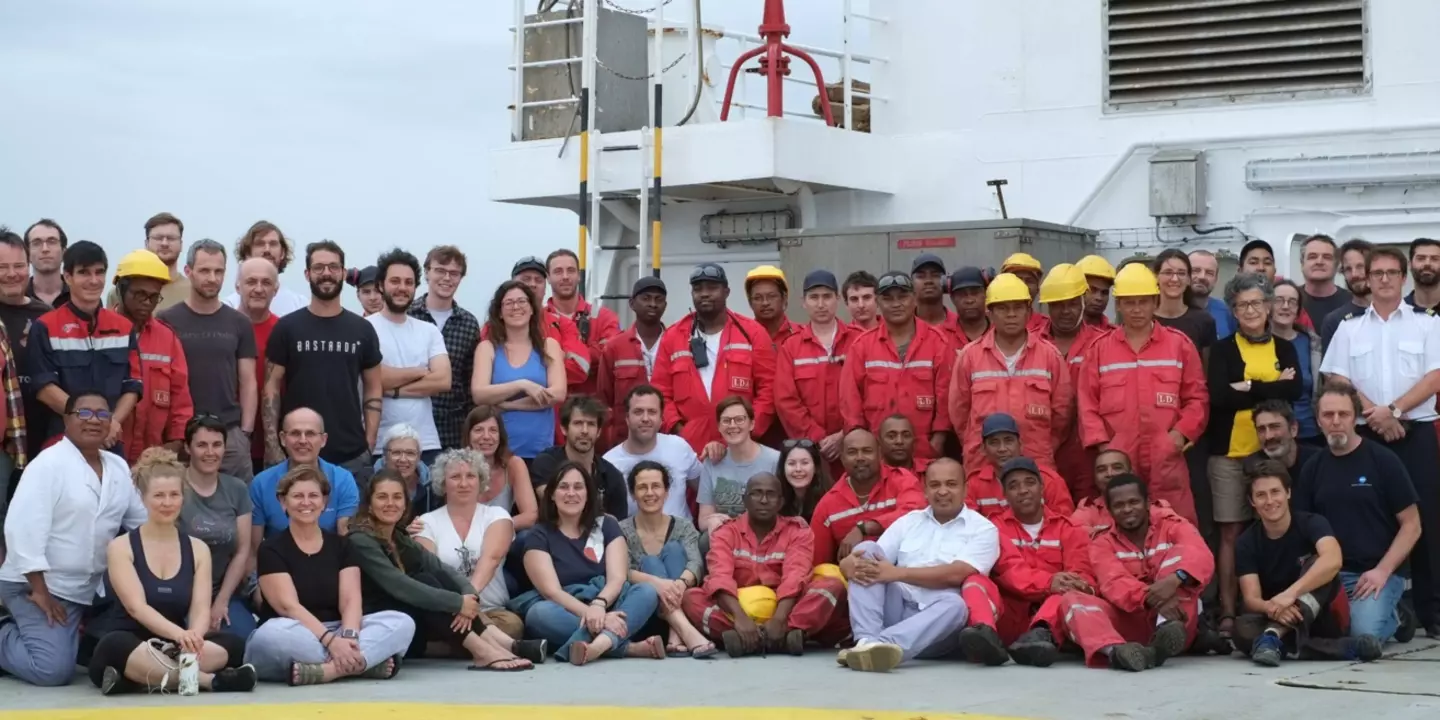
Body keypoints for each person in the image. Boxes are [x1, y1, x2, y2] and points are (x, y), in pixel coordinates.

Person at [1320, 246, 1440, 636]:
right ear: (1366, 280)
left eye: (1392, 272)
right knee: (1371, 521)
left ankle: (1431, 612)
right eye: (1378, 273)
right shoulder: (1349, 328)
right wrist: (1377, 414)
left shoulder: (1427, 324)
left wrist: (1395, 410)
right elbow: (1337, 381)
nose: (1385, 279)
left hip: (1416, 433)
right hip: (1368, 436)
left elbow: (1435, 377)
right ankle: (1386, 603)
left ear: (1403, 278)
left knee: (1426, 522)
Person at [0, 392, 146, 685]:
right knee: (52, 670)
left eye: (102, 414)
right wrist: (41, 591)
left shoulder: (117, 467)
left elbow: (141, 524)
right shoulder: (47, 465)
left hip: (88, 590)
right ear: (66, 420)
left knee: (106, 653)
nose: (94, 420)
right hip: (36, 587)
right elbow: (22, 530)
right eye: (84, 413)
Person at [84, 449, 256, 694]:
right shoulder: (121, 546)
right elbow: (137, 608)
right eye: (159, 496)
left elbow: (199, 608)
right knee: (112, 645)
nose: (167, 503)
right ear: (143, 498)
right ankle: (208, 681)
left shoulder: (198, 549)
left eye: (174, 495)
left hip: (175, 646)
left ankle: (139, 680)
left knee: (234, 644)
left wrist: (193, 639)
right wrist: (181, 635)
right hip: (132, 644)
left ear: (183, 497)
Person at [348, 470, 539, 671]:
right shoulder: (361, 540)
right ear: (369, 504)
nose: (390, 503)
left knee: (431, 576)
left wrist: (468, 595)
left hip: (413, 624)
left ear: (405, 503)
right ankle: (484, 651)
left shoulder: (397, 537)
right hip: (382, 626)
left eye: (397, 497)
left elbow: (439, 567)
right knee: (425, 582)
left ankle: (493, 647)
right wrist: (457, 603)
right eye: (382, 497)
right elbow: (400, 586)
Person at [243, 465, 415, 684]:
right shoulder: (271, 549)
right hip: (296, 631)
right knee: (269, 635)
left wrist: (349, 637)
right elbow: (288, 607)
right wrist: (332, 643)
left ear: (324, 502)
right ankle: (362, 664)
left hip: (339, 629)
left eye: (314, 495)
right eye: (298, 496)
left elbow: (351, 600)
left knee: (401, 622)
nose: (306, 502)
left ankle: (328, 671)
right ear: (283, 502)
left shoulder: (341, 545)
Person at [1206, 273, 1303, 640]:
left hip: (1272, 455)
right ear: (1233, 311)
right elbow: (1220, 397)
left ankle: (1275, 605)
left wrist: (1249, 387)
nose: (1250, 310)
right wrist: (1270, 388)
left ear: (1269, 307)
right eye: (1242, 305)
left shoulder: (1284, 346)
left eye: (1257, 303)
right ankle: (1230, 611)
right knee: (1231, 532)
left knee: (1275, 529)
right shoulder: (1223, 350)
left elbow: (1294, 390)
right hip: (1230, 455)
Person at [837, 457, 998, 673]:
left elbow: (956, 574)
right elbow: (871, 559)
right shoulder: (910, 521)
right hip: (898, 607)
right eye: (935, 485)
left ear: (965, 488)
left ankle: (881, 645)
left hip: (937, 625)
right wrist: (847, 565)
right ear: (924, 489)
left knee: (957, 606)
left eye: (951, 484)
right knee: (867, 549)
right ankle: (866, 640)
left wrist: (897, 573)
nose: (942, 491)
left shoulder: (983, 529)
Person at [1078, 262, 1208, 526]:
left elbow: (1197, 398)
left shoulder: (1179, 345)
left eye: (1144, 301)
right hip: (1119, 460)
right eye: (1129, 302)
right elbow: (1086, 404)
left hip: (1167, 458)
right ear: (1119, 306)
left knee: (1176, 524)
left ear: (1155, 301)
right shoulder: (1099, 350)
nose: (1137, 309)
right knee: (1121, 526)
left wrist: (1179, 435)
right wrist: (1106, 449)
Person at [1294, 382, 1423, 642]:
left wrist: (1383, 571)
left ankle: (1397, 616)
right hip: (1329, 574)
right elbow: (1302, 527)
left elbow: (1412, 525)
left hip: (1375, 573)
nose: (1336, 421)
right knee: (1313, 629)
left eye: (1343, 414)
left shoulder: (1384, 460)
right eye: (1328, 415)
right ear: (1318, 420)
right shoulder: (1312, 468)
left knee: (1361, 635)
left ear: (1356, 418)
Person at [1051, 475, 1213, 671]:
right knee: (1072, 600)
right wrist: (1151, 598)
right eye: (1119, 505)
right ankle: (1116, 652)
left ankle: (1166, 630)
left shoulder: (1174, 525)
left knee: (1182, 566)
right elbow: (1114, 582)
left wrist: (1175, 579)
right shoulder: (1102, 543)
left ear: (1147, 503)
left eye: (1133, 502)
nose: (1127, 509)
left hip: (1177, 615)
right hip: (1131, 622)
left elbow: (1200, 554)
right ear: (1109, 511)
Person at [513, 461, 664, 665]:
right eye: (564, 487)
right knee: (538, 615)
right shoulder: (538, 535)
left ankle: (596, 647)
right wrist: (591, 614)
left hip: (607, 602)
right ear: (551, 494)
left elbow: (617, 578)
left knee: (646, 591)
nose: (571, 493)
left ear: (588, 493)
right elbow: (552, 592)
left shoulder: (607, 525)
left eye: (578, 487)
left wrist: (599, 606)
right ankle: (626, 647)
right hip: (566, 608)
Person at [682, 473, 847, 657]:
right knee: (691, 598)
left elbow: (795, 575)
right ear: (745, 499)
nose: (763, 500)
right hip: (739, 609)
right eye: (756, 493)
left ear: (781, 501)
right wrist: (741, 619)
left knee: (833, 587)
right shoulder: (726, 532)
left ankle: (752, 639)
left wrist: (779, 619)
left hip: (787, 609)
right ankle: (783, 638)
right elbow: (720, 578)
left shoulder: (798, 532)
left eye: (771, 494)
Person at [1235, 459, 1382, 666]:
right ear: (1252, 501)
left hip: (1323, 615)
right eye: (1261, 495)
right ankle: (1344, 648)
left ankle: (1272, 636)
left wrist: (1290, 595)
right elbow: (1252, 598)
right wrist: (1273, 608)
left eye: (1275, 492)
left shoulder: (1312, 523)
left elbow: (1333, 560)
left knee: (1318, 564)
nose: (1269, 501)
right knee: (1240, 630)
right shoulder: (1246, 542)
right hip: (1280, 613)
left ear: (1288, 493)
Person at [263, 240, 382, 482]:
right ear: (307, 274)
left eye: (333, 267)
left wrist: (369, 441)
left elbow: (373, 386)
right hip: (297, 454)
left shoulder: (362, 330)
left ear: (343, 272)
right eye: (318, 268)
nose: (326, 273)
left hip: (352, 456)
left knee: (349, 522)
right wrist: (273, 444)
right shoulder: (287, 328)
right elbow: (271, 386)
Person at [949, 272, 1071, 478]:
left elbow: (1062, 414)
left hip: (1036, 462)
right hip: (982, 465)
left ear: (1029, 311)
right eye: (1003, 308)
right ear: (990, 313)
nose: (1011, 314)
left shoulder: (1049, 356)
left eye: (1018, 307)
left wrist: (1042, 446)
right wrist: (976, 444)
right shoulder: (970, 356)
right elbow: (959, 413)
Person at [651, 263, 776, 454]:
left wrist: (747, 433)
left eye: (712, 288)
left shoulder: (753, 333)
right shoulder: (673, 336)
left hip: (740, 447)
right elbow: (660, 392)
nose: (704, 294)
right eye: (698, 289)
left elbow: (768, 390)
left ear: (726, 292)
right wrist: (678, 431)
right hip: (688, 449)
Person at [160, 239, 258, 481]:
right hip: (180, 436)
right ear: (188, 271)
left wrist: (245, 433)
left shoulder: (239, 322)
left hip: (229, 435)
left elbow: (248, 381)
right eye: (204, 270)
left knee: (238, 508)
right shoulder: (166, 320)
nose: (212, 278)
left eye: (218, 271)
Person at [30, 241, 142, 446]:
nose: (93, 280)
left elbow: (132, 386)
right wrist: (89, 421)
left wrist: (112, 422)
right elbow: (44, 388)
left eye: (99, 272)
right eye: (84, 273)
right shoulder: (45, 327)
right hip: (63, 439)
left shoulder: (124, 327)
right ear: (68, 277)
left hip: (111, 438)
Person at [840, 271, 955, 465]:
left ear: (914, 298)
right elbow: (850, 401)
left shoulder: (938, 343)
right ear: (878, 302)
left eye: (902, 296)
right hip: (877, 455)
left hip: (924, 454)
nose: (896, 304)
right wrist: (862, 442)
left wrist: (937, 441)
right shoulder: (862, 346)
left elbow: (946, 398)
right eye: (888, 298)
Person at [992, 457, 1098, 665]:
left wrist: (1071, 584)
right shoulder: (993, 528)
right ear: (1004, 495)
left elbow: (1082, 572)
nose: (1023, 490)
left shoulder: (1068, 529)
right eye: (1014, 486)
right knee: (981, 583)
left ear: (1042, 487)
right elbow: (1009, 571)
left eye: (1030, 483)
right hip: (1013, 616)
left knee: (1069, 591)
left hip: (1055, 614)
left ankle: (1041, 634)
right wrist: (1050, 583)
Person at [414, 449, 527, 638]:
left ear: (480, 480)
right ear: (443, 483)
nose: (464, 483)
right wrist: (459, 606)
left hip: (491, 610)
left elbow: (491, 559)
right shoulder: (426, 522)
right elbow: (431, 571)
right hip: (447, 611)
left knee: (512, 627)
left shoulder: (497, 515)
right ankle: (485, 643)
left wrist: (469, 601)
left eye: (471, 476)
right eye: (455, 477)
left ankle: (446, 648)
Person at [619, 461, 714, 658]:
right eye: (642, 487)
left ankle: (675, 635)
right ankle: (684, 631)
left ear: (667, 492)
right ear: (633, 494)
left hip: (681, 596)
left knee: (673, 549)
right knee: (650, 563)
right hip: (646, 612)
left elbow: (696, 563)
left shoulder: (684, 526)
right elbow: (621, 571)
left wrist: (678, 584)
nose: (649, 493)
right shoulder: (621, 530)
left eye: (656, 486)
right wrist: (658, 583)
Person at [366, 249, 450, 467]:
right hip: (378, 443)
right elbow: (373, 378)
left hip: (426, 444)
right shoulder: (364, 328)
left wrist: (392, 389)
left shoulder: (428, 331)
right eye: (395, 281)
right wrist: (420, 371)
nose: (402, 288)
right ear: (381, 285)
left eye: (408, 282)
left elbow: (442, 380)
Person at [111, 249, 194, 466]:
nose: (147, 302)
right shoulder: (101, 332)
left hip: (154, 462)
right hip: (107, 455)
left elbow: (181, 403)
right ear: (121, 289)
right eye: (139, 294)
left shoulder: (167, 338)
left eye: (154, 297)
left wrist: (172, 448)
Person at [470, 279, 566, 464]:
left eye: (522, 301)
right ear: (499, 313)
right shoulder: (487, 348)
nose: (516, 307)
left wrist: (508, 405)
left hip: (540, 452)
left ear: (532, 309)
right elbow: (479, 394)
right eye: (509, 303)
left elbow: (557, 394)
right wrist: (523, 385)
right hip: (498, 454)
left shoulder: (549, 346)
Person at [180, 415, 257, 640]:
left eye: (217, 445)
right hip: (181, 595)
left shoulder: (237, 489)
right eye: (201, 445)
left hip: (222, 591)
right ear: (187, 447)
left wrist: (222, 601)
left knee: (243, 641)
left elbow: (243, 550)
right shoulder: (174, 487)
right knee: (192, 640)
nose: (210, 452)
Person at [1037, 264, 1108, 502]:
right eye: (1057, 305)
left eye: (1072, 304)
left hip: (1088, 450)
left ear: (1082, 302)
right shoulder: (1031, 344)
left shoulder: (1103, 343)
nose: (1065, 311)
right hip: (1044, 447)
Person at [774, 270, 855, 471]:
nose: (821, 304)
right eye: (814, 297)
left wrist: (845, 434)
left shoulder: (858, 341)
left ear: (837, 299)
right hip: (810, 453)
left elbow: (871, 394)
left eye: (827, 297)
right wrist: (817, 438)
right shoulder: (791, 347)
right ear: (803, 302)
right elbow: (786, 401)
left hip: (853, 447)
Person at [811, 429, 925, 565]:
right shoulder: (827, 505)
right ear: (842, 458)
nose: (860, 457)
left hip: (904, 571)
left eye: (867, 451)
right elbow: (819, 564)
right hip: (852, 576)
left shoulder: (902, 481)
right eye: (852, 452)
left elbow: (915, 514)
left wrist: (864, 528)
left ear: (880, 454)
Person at [408, 245, 481, 451]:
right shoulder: (408, 315)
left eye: (454, 273)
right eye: (440, 270)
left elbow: (469, 381)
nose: (447, 278)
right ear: (427, 273)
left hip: (453, 428)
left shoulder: (468, 323)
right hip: (410, 421)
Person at [250, 408, 361, 541]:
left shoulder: (343, 480)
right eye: (295, 433)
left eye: (310, 434)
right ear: (283, 439)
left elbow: (345, 538)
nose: (302, 440)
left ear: (323, 439)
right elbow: (254, 549)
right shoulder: (261, 483)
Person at [603, 385, 702, 521]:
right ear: (627, 418)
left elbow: (705, 489)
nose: (645, 418)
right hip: (634, 540)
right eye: (638, 412)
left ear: (662, 419)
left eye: (652, 412)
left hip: (684, 539)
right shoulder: (609, 463)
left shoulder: (679, 447)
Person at [0, 227, 55, 463]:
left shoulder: (46, 315)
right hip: (4, 442)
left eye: (19, 266)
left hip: (42, 437)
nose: (12, 274)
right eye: (2, 267)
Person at [498, 256, 591, 393]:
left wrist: (515, 373)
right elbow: (485, 371)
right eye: (526, 279)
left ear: (545, 286)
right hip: (503, 412)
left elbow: (580, 368)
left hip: (551, 410)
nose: (532, 284)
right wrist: (555, 359)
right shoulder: (494, 325)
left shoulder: (562, 324)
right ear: (512, 284)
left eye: (538, 280)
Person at [530, 395, 628, 519]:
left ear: (598, 432)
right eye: (578, 423)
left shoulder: (612, 476)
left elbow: (617, 525)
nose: (585, 431)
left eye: (591, 424)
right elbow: (556, 507)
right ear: (564, 429)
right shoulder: (547, 463)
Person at [963, 413, 1075, 521]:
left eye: (1008, 441)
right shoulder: (973, 484)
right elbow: (966, 527)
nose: (1002, 449)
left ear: (1020, 444)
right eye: (994, 442)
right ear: (983, 448)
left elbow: (1065, 526)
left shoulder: (1049, 481)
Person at [596, 277, 667, 447]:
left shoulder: (678, 343)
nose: (652, 304)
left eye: (659, 299)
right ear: (632, 303)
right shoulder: (614, 347)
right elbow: (603, 401)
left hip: (668, 438)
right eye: (646, 298)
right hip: (625, 442)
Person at [696, 396, 782, 532]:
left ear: (752, 424)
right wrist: (713, 521)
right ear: (718, 427)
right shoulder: (712, 462)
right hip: (725, 535)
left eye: (739, 419)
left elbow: (783, 513)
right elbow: (703, 519)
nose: (732, 425)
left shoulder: (775, 460)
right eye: (726, 421)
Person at [544, 249, 621, 399]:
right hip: (552, 410)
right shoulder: (539, 320)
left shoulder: (604, 317)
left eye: (571, 270)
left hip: (593, 409)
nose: (565, 277)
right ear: (548, 277)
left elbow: (611, 353)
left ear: (579, 275)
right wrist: (591, 351)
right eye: (558, 271)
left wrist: (559, 357)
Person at [235, 256, 280, 474]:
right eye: (251, 282)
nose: (259, 289)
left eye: (266, 283)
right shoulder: (223, 328)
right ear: (237, 286)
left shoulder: (285, 331)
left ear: (276, 289)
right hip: (227, 446)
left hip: (276, 448)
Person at [462, 405, 539, 529]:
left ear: (500, 436)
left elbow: (530, 515)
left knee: (528, 537)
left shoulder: (513, 464)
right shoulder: (458, 467)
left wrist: (496, 527)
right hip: (466, 537)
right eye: (479, 430)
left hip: (503, 533)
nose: (486, 436)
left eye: (493, 430)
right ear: (468, 436)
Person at [103, 213, 192, 312]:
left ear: (181, 244)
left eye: (171, 238)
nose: (164, 243)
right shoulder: (120, 292)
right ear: (146, 243)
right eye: (158, 238)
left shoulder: (193, 291)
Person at [1271, 280, 1322, 442]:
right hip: (1270, 433)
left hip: (1309, 431)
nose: (1285, 306)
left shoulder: (1313, 344)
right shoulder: (1255, 343)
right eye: (1278, 300)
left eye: (1292, 302)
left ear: (1298, 310)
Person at [224, 220, 307, 316]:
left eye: (273, 244)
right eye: (260, 244)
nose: (267, 250)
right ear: (247, 253)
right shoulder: (229, 306)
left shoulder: (300, 305)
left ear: (282, 253)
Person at [1151, 249, 1218, 356]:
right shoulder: (1145, 319)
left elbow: (1207, 369)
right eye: (1168, 272)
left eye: (1181, 273)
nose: (1174, 279)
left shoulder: (1204, 321)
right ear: (1156, 277)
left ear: (1188, 279)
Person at [1249, 399, 1322, 490]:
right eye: (1261, 429)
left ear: (1293, 429)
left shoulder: (1319, 461)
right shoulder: (1252, 467)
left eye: (1275, 427)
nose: (1268, 436)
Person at [371, 424, 440, 518]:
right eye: (396, 453)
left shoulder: (433, 485)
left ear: (419, 456)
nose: (403, 459)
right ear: (385, 455)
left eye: (410, 453)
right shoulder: (368, 480)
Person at [1319, 239, 1373, 353]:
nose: (1354, 275)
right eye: (1348, 269)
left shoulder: (1396, 313)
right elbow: (1329, 369)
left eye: (1360, 267)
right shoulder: (1334, 321)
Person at [1298, 235, 1353, 328]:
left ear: (1336, 265)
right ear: (1302, 264)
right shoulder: (1290, 301)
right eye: (1312, 257)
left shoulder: (1352, 302)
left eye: (1327, 257)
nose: (1319, 262)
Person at [911, 254, 961, 347]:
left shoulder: (962, 325)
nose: (928, 281)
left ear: (946, 283)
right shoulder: (902, 327)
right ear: (911, 284)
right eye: (921, 276)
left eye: (935, 275)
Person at [778, 439, 833, 522]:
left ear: (816, 468)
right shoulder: (776, 502)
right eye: (791, 463)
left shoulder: (829, 502)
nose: (798, 469)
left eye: (804, 463)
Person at [1187, 249, 1235, 340]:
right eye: (1196, 270)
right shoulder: (1170, 312)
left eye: (1209, 273)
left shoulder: (1227, 312)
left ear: (1216, 279)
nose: (1202, 277)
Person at [23, 219, 70, 307]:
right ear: (27, 254)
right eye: (36, 243)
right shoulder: (17, 297)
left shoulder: (80, 295)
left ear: (64, 252)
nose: (45, 249)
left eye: (52, 242)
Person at [745, 265, 794, 347]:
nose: (765, 303)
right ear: (750, 302)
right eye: (758, 298)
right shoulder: (741, 337)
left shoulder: (802, 334)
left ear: (784, 298)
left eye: (771, 296)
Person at [1000, 253, 1048, 333]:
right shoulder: (989, 325)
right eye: (1017, 279)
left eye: (1029, 281)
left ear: (1037, 288)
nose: (1023, 286)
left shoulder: (1048, 327)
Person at [948, 266, 991, 347]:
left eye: (975, 293)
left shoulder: (1001, 332)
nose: (969, 300)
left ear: (986, 294)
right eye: (962, 294)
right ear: (952, 299)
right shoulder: (940, 337)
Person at [1076, 255, 1116, 329]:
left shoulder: (1114, 335)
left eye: (1104, 292)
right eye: (1092, 290)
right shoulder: (1054, 331)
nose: (1099, 298)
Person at [1406, 237, 1440, 312]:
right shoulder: (1398, 311)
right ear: (1410, 265)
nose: (1427, 264)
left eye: (1434, 259)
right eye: (1421, 258)